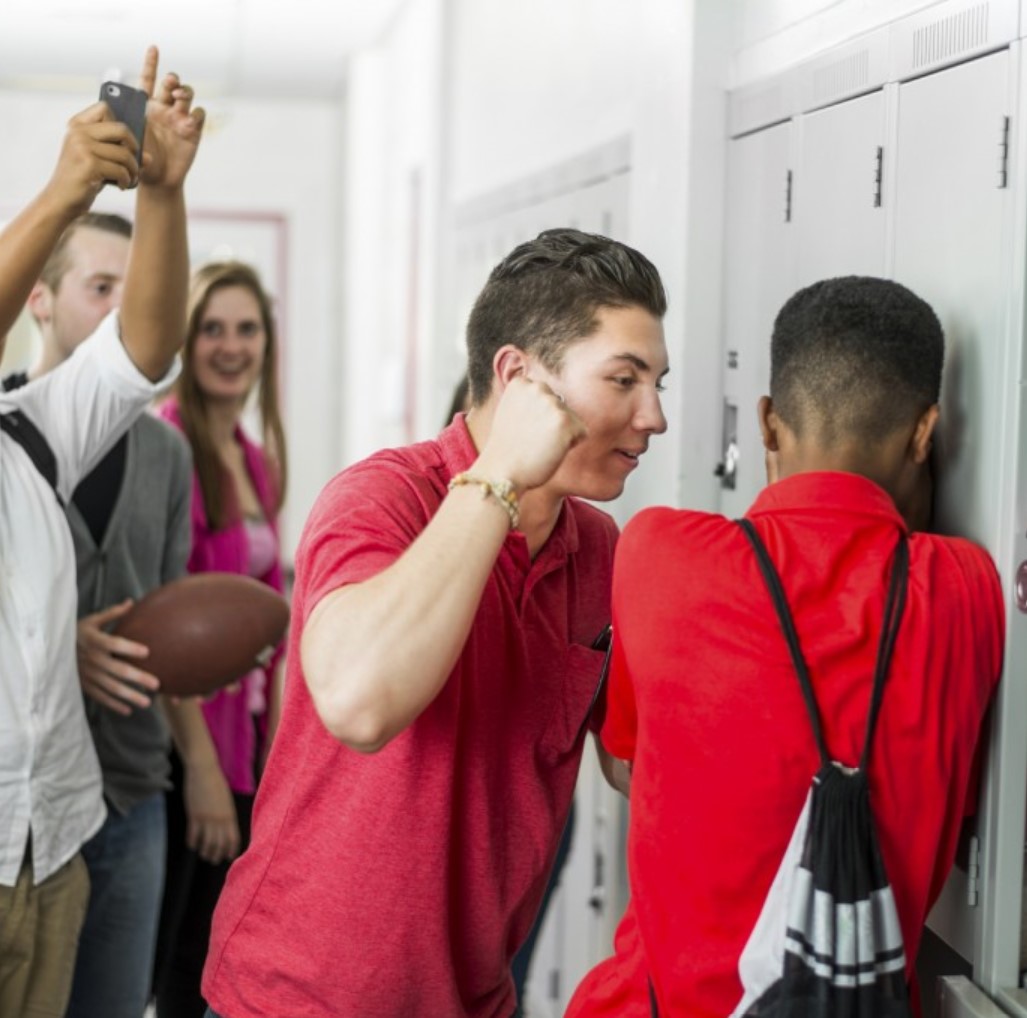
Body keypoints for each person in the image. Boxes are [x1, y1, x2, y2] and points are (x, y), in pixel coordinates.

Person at [201, 228, 668, 1017]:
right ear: (518, 377)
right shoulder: (381, 499)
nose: (651, 416)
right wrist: (496, 480)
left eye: (657, 382)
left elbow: (631, 761)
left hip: (473, 999)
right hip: (298, 1000)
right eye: (623, 379)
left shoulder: (597, 548)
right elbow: (358, 704)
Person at [565, 276, 1006, 1018]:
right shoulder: (965, 588)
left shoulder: (659, 554)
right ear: (925, 434)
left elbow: (628, 764)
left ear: (767, 424)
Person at [0, 45, 205, 1018]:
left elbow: (144, 354)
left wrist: (163, 192)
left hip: (55, 846)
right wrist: (66, 189)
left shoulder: (32, 438)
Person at [153, 260, 288, 1018]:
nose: (230, 346)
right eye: (212, 329)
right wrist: (203, 770)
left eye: (246, 329)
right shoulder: (168, 445)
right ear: (185, 339)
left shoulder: (253, 455)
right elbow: (164, 618)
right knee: (180, 973)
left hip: (241, 744)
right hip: (181, 757)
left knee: (211, 963)